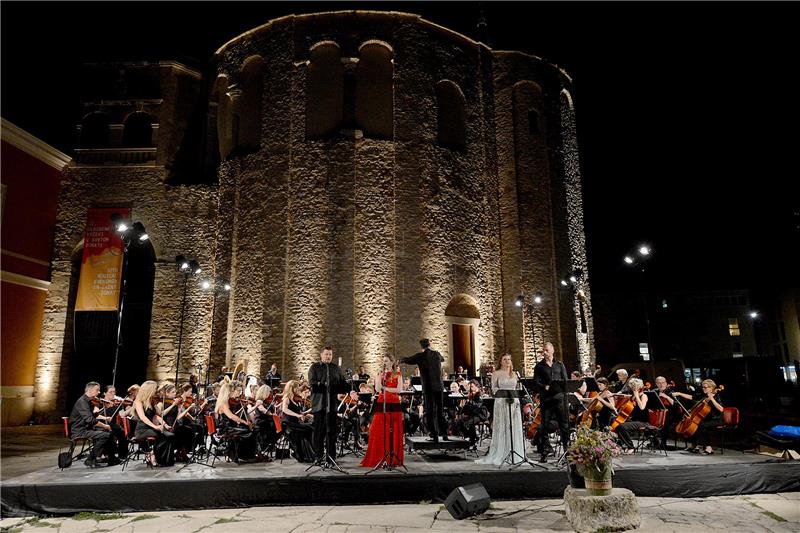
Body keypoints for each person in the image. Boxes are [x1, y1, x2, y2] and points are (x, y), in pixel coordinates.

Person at [476, 354, 523, 465]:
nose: (507, 361)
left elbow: (517, 388)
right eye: (504, 359)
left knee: (512, 426)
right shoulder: (496, 373)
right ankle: (501, 451)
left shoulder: (515, 374)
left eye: (509, 359)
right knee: (503, 425)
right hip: (501, 402)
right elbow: (494, 388)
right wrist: (501, 393)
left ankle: (515, 451)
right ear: (501, 362)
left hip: (513, 402)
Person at [401, 339, 448, 443]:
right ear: (429, 345)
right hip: (439, 387)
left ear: (421, 347)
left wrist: (401, 359)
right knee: (440, 411)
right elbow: (443, 359)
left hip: (429, 388)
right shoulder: (437, 354)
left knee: (430, 411)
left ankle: (434, 435)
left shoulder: (420, 356)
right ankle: (444, 434)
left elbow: (408, 360)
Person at [361, 355, 404, 467]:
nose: (384, 362)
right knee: (377, 428)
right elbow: (377, 388)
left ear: (391, 362)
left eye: (386, 361)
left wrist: (386, 389)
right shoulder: (380, 374)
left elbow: (399, 389)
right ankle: (379, 457)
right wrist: (379, 376)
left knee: (393, 430)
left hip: (394, 403)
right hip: (382, 401)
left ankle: (392, 458)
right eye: (383, 361)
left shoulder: (398, 374)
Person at [308, 346, 349, 464]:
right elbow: (312, 382)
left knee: (332, 432)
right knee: (319, 433)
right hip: (319, 405)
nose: (328, 356)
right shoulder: (315, 367)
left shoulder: (335, 368)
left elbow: (342, 383)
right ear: (321, 355)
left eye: (330, 354)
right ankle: (318, 456)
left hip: (332, 405)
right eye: (326, 354)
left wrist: (350, 389)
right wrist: (324, 384)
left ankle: (331, 457)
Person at [533, 342, 570, 463]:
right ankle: (544, 452)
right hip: (547, 400)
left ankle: (567, 451)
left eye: (547, 350)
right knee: (543, 427)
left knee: (564, 426)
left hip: (560, 399)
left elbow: (565, 381)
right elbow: (536, 382)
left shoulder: (560, 365)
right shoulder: (539, 366)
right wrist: (545, 387)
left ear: (552, 351)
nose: (545, 352)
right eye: (543, 350)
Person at [68, 381, 120, 467]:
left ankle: (111, 458)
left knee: (109, 433)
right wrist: (104, 425)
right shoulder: (82, 402)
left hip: (86, 428)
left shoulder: (87, 401)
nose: (99, 392)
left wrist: (104, 408)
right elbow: (90, 420)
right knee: (105, 435)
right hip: (80, 430)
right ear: (90, 390)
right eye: (97, 390)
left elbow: (93, 415)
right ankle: (91, 459)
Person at [132, 380, 175, 466]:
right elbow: (142, 417)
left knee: (170, 435)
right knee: (162, 436)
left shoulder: (152, 402)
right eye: (155, 390)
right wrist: (155, 427)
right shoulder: (138, 402)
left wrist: (165, 425)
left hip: (151, 428)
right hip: (142, 430)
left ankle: (162, 458)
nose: (156, 392)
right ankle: (153, 456)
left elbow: (159, 414)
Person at [215, 380, 258, 462]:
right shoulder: (223, 403)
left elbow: (232, 416)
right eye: (231, 391)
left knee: (248, 429)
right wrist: (244, 421)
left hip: (229, 426)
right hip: (226, 428)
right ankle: (244, 455)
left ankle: (241, 454)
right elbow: (231, 416)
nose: (231, 393)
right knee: (248, 431)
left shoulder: (225, 402)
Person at [684, 379, 724, 455]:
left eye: (705, 387)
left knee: (701, 425)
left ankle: (708, 447)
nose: (703, 389)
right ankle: (694, 445)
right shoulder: (704, 396)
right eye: (703, 387)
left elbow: (721, 409)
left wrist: (712, 398)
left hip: (717, 419)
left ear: (711, 388)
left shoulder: (716, 396)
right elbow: (692, 397)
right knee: (693, 423)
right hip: (707, 419)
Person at [281, 379, 316, 462]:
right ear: (291, 389)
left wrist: (306, 413)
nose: (298, 389)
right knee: (310, 428)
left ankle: (309, 453)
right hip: (288, 424)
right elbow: (285, 410)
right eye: (297, 388)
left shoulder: (295, 400)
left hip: (295, 423)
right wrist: (298, 415)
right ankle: (306, 453)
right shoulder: (287, 398)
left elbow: (300, 413)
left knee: (311, 427)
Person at [614, 377, 649, 453]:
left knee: (621, 427)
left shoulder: (644, 396)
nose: (632, 388)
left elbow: (642, 407)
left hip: (643, 422)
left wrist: (636, 396)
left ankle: (631, 447)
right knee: (617, 425)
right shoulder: (632, 396)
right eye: (632, 386)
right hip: (634, 420)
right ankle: (622, 445)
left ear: (639, 387)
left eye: (634, 386)